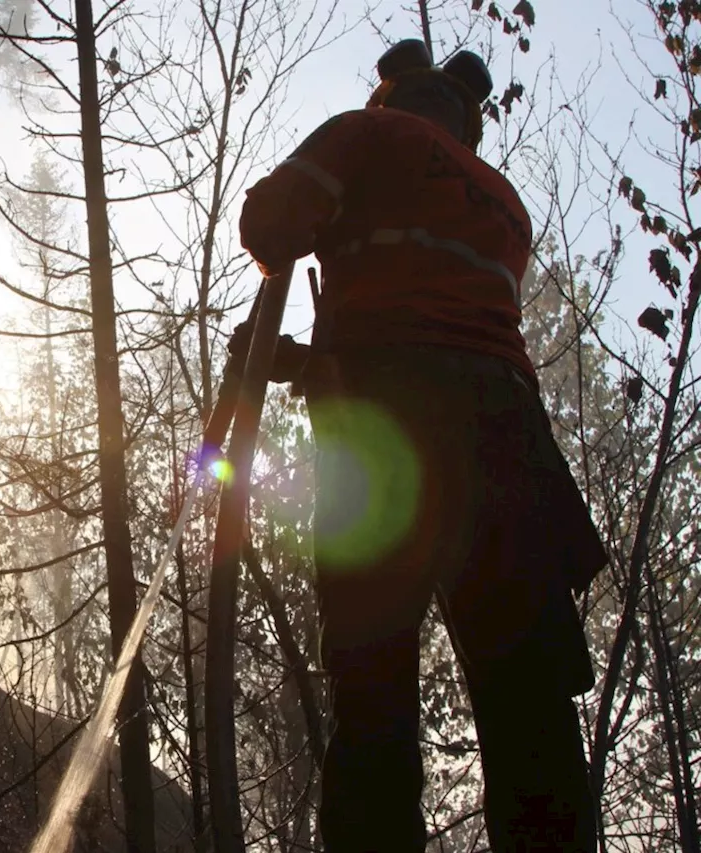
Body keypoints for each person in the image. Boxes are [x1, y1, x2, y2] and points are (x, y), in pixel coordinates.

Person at [229, 39, 606, 853]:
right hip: (512, 442)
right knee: (531, 708)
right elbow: (434, 313)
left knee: (374, 693)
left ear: (391, 92)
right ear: (467, 116)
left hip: (390, 434)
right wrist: (312, 361)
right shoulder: (504, 199)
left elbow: (271, 222)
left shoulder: (371, 136)